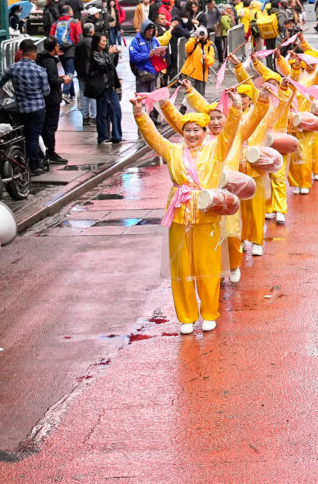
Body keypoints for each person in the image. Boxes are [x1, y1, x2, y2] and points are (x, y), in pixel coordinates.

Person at [132, 93, 243, 335]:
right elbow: (152, 137)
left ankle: (209, 313)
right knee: (182, 269)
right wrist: (140, 114)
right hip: (180, 216)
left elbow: (230, 131)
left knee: (208, 266)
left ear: (205, 132)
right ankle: (186, 316)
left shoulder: (216, 149)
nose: (192, 134)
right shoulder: (173, 151)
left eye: (197, 130)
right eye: (188, 130)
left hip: (207, 215)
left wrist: (235, 108)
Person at [0, 39, 49, 174]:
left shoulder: (13, 68)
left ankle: (22, 159)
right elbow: (46, 91)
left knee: (24, 135)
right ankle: (34, 165)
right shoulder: (40, 70)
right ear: (34, 55)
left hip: (22, 108)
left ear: (22, 53)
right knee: (34, 136)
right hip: (38, 109)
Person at [34, 38, 70, 165]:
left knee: (46, 126)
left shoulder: (42, 59)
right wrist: (62, 81)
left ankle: (46, 150)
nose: (58, 48)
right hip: (52, 98)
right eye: (57, 46)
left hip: (46, 98)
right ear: (53, 47)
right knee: (50, 126)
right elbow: (51, 80)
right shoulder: (49, 62)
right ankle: (50, 151)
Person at [87, 33, 124, 144]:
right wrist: (110, 54)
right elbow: (104, 65)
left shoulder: (105, 53)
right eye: (103, 41)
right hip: (102, 87)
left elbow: (112, 65)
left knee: (116, 110)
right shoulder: (95, 54)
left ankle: (117, 136)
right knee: (102, 112)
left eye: (105, 41)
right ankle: (103, 137)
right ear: (97, 42)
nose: (105, 43)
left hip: (110, 86)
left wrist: (115, 54)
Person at [50, 6, 81, 103]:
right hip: (71, 50)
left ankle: (72, 95)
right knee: (70, 72)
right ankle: (65, 93)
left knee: (67, 71)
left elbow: (51, 37)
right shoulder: (74, 22)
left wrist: (56, 49)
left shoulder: (56, 23)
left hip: (59, 50)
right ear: (69, 12)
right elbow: (79, 37)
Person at [129, 21, 167, 94]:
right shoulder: (136, 41)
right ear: (144, 30)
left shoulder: (155, 40)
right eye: (149, 31)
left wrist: (162, 54)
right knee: (142, 98)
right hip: (142, 73)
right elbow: (133, 57)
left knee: (153, 98)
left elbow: (160, 56)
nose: (150, 33)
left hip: (154, 73)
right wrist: (148, 55)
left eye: (152, 31)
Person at [74, 23, 97, 126]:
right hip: (91, 73)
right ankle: (93, 116)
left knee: (83, 94)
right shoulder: (93, 42)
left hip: (81, 72)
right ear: (91, 32)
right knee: (92, 95)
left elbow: (76, 59)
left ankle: (85, 116)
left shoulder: (79, 43)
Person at [181, 28, 216, 96]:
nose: (202, 35)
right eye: (201, 33)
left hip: (201, 76)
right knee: (189, 96)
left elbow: (211, 62)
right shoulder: (194, 43)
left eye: (204, 33)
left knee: (200, 98)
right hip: (189, 74)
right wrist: (194, 37)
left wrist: (206, 58)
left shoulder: (210, 47)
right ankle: (183, 107)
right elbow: (187, 48)